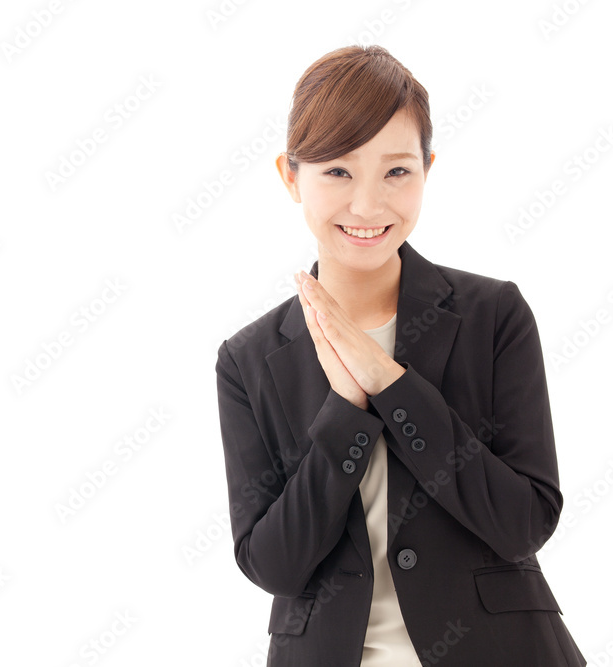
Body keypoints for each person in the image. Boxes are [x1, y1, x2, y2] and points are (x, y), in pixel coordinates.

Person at [214, 44, 586, 666]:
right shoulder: (249, 358)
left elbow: (525, 521)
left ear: (427, 169)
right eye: (337, 171)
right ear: (290, 175)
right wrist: (345, 411)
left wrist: (390, 382)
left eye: (396, 172)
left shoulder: (493, 315)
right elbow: (273, 564)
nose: (367, 205)